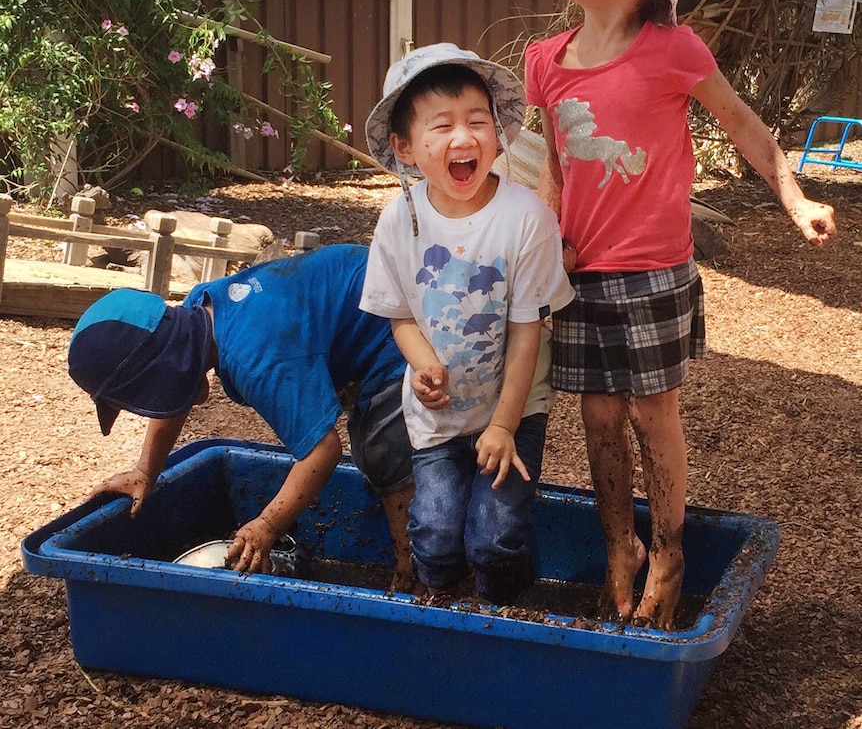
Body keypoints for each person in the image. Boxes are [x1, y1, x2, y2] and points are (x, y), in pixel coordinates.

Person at [525, 0, 837, 629]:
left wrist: (794, 198)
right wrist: (545, 243)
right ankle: (617, 548)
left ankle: (668, 550)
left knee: (650, 415)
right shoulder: (546, 60)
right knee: (598, 416)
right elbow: (555, 169)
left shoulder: (672, 49)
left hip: (654, 274)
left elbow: (743, 125)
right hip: (584, 273)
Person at [359, 43, 575, 605]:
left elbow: (531, 330)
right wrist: (421, 360)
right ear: (406, 147)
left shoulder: (526, 219)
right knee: (431, 533)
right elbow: (400, 313)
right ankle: (444, 605)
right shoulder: (397, 221)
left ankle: (501, 608)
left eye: (478, 121)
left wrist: (502, 426)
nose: (463, 138)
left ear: (499, 133)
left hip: (513, 406)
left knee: (496, 537)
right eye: (443, 125)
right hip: (437, 415)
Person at [67, 245, 415, 590]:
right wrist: (146, 472)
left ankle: (412, 572)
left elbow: (322, 452)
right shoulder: (196, 314)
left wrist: (268, 525)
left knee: (382, 452)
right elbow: (177, 393)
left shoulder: (258, 360)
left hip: (403, 324)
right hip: (363, 286)